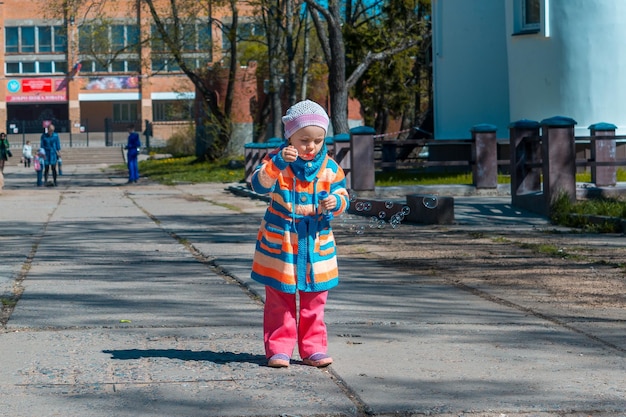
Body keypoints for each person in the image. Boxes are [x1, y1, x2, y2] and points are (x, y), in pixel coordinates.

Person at [250, 100, 350, 368]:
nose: (311, 146)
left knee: (315, 298)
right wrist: (277, 163)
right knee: (279, 297)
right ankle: (278, 349)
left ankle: (313, 348)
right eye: (304, 139)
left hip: (315, 240)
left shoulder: (330, 167)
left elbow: (343, 195)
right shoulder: (277, 161)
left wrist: (336, 203)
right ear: (290, 136)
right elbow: (258, 185)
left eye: (318, 140)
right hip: (281, 240)